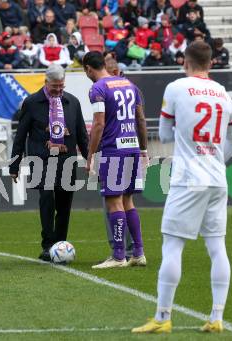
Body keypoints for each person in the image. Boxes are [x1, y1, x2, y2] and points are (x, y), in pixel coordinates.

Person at [132, 41, 232, 334]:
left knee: (173, 244)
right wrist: (215, 158)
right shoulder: (223, 94)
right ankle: (217, 317)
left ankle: (162, 316)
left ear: (185, 62)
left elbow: (165, 134)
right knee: (217, 247)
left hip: (188, 177)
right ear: (211, 63)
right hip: (217, 178)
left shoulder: (177, 87)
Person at [10, 64, 89, 261]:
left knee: (64, 204)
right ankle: (47, 245)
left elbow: (82, 135)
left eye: (61, 86)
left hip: (66, 160)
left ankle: (60, 244)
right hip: (41, 160)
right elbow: (20, 135)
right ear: (46, 82)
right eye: (55, 87)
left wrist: (90, 159)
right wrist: (14, 164)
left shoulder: (73, 102)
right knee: (47, 200)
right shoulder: (31, 102)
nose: (58, 90)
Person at [82, 51, 147, 269]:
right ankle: (138, 253)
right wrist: (144, 149)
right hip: (132, 147)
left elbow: (98, 124)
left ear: (89, 69)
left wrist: (90, 155)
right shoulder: (129, 84)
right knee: (128, 200)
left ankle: (119, 256)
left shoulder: (98, 88)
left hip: (113, 149)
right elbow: (140, 119)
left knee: (113, 201)